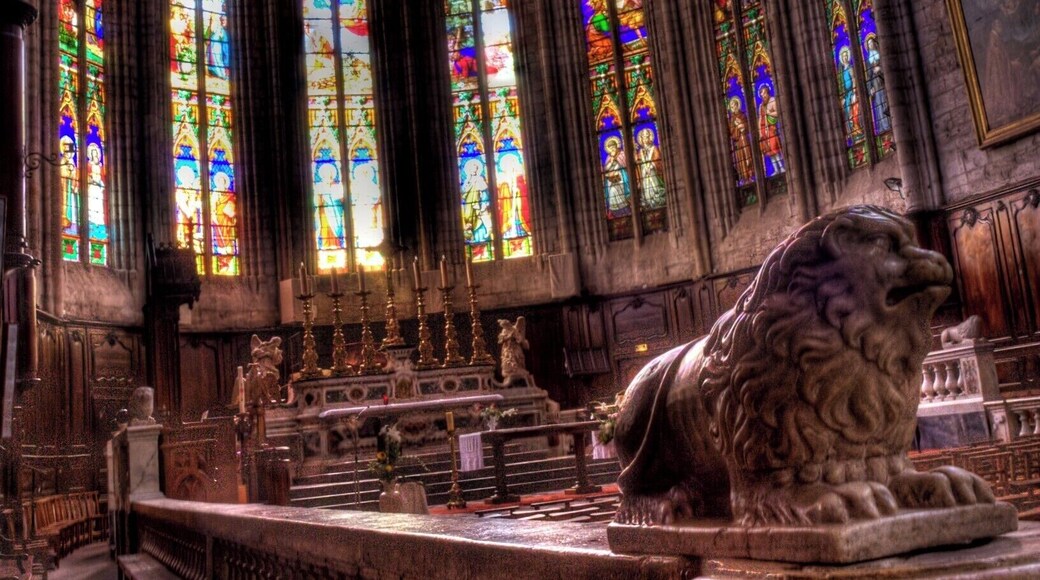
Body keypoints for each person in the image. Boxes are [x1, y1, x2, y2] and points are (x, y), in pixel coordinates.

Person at [864, 36, 891, 134]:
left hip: (883, 82)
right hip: (875, 85)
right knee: (879, 105)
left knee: (885, 102)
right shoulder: (868, 61)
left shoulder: (880, 55)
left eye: (871, 43)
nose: (870, 45)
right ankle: (883, 127)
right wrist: (870, 87)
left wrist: (880, 69)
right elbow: (869, 75)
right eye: (869, 44)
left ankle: (889, 124)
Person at [635, 127, 666, 209]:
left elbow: (657, 159)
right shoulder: (640, 151)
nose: (646, 139)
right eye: (644, 137)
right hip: (644, 174)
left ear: (650, 137)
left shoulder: (654, 148)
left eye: (647, 136)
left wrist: (652, 165)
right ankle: (647, 202)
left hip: (652, 172)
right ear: (641, 139)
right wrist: (638, 162)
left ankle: (657, 202)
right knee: (646, 190)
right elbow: (638, 162)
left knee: (655, 188)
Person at [756, 84, 784, 175]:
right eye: (761, 94)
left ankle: (781, 167)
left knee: (774, 147)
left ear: (767, 92)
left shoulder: (772, 100)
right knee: (769, 151)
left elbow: (778, 113)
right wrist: (760, 132)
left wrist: (768, 112)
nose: (762, 95)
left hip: (772, 129)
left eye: (764, 93)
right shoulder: (761, 106)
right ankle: (776, 169)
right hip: (764, 131)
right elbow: (760, 118)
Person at [727, 97, 754, 185]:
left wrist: (742, 125)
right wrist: (736, 128)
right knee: (741, 160)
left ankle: (751, 176)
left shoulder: (743, 115)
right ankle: (745, 178)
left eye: (734, 105)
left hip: (745, 139)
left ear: (737, 105)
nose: (733, 108)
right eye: (731, 106)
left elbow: (748, 125)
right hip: (738, 142)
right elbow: (731, 131)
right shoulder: (731, 119)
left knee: (748, 157)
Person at [837, 46, 862, 139]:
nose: (845, 58)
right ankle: (851, 132)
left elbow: (854, 79)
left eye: (846, 56)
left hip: (852, 92)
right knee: (848, 112)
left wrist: (855, 91)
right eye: (843, 56)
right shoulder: (842, 71)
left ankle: (857, 130)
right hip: (846, 94)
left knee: (854, 110)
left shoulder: (850, 68)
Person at [603, 136, 631, 216]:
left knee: (619, 192)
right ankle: (615, 211)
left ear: (616, 146)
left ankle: (625, 209)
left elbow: (624, 164)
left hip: (621, 178)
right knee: (612, 192)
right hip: (611, 180)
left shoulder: (621, 154)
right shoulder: (609, 157)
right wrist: (611, 162)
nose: (612, 149)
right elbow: (606, 169)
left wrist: (617, 163)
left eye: (613, 147)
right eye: (610, 147)